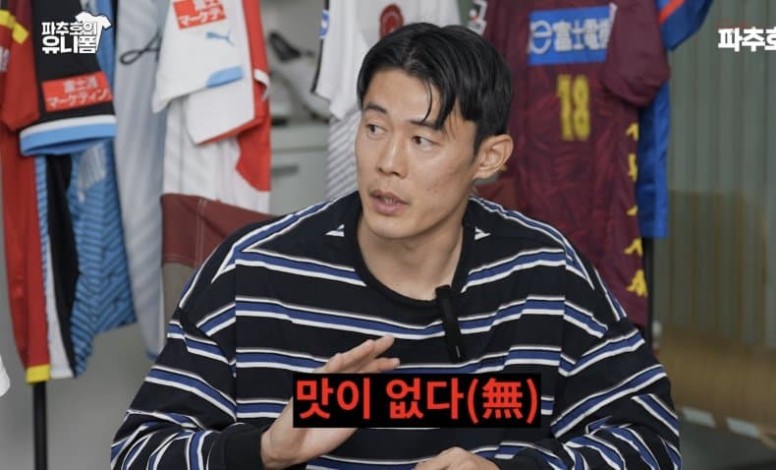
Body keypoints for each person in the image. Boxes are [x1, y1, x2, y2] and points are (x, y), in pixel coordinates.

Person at [111, 23, 680, 470]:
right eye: (375, 128)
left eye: (423, 140)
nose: (388, 162)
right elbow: (138, 452)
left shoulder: (542, 272)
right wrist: (262, 452)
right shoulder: (254, 269)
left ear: (489, 157)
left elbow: (649, 440)